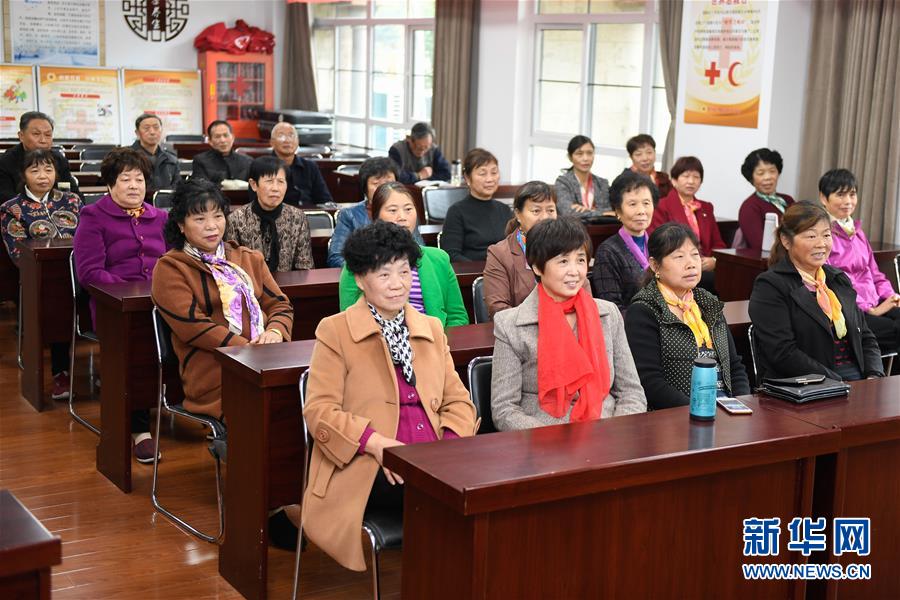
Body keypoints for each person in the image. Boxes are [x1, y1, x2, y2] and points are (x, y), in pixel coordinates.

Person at [301, 221, 477, 571]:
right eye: (384, 274)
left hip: (435, 459)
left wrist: (447, 447)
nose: (398, 283)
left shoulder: (430, 328)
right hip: (369, 462)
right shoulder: (335, 331)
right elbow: (319, 411)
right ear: (360, 279)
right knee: (442, 497)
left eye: (404, 271)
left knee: (489, 489)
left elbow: (458, 401)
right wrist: (379, 445)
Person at [152, 178, 294, 421]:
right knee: (270, 414)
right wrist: (246, 349)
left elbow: (280, 304)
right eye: (200, 219)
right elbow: (193, 327)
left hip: (267, 356)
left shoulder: (248, 257)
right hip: (215, 368)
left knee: (308, 397)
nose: (211, 226)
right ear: (181, 225)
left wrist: (275, 332)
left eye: (217, 216)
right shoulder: (170, 268)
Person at [490, 217, 646, 431]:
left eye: (580, 260)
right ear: (537, 267)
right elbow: (504, 409)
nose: (575, 271)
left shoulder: (608, 314)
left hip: (607, 431)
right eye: (563, 261)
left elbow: (631, 392)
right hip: (545, 436)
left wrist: (614, 432)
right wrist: (550, 439)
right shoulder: (509, 325)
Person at [73, 147, 168, 462]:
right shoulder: (93, 216)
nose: (134, 186)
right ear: (110, 183)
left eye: (139, 179)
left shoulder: (161, 217)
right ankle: (140, 429)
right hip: (115, 307)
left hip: (162, 301)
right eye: (126, 179)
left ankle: (199, 405)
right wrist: (132, 293)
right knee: (138, 345)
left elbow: (176, 261)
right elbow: (89, 273)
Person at [749, 202, 884, 381]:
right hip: (810, 384)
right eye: (811, 236)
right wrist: (838, 383)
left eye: (826, 235)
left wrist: (874, 375)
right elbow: (783, 353)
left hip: (856, 379)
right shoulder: (770, 286)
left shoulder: (837, 279)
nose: (821, 244)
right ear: (786, 240)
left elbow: (865, 336)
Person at [624, 223, 750, 410]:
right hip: (678, 415)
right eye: (679, 257)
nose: (691, 263)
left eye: (694, 254)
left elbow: (734, 366)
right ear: (655, 265)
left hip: (726, 408)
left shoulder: (709, 303)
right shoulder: (644, 310)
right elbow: (650, 382)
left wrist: (741, 405)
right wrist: (701, 410)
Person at [1, 149, 83, 400]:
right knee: (56, 300)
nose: (42, 176)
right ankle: (60, 371)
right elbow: (18, 253)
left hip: (78, 272)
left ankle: (111, 369)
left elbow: (87, 239)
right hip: (40, 278)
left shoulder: (72, 201)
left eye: (48, 169)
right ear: (23, 174)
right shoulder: (12, 208)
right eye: (34, 170)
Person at [340, 182, 467, 328]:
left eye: (408, 209)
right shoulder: (360, 260)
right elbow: (350, 318)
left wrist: (440, 339)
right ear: (376, 216)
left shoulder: (439, 258)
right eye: (393, 210)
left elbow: (457, 316)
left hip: (435, 337)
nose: (402, 217)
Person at [819, 169, 900, 358]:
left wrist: (891, 296)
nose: (848, 201)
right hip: (850, 310)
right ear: (823, 198)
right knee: (895, 331)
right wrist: (870, 310)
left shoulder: (858, 232)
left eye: (852, 194)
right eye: (840, 195)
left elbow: (875, 274)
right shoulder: (823, 234)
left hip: (876, 303)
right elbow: (832, 285)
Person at [483, 181, 566, 318]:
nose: (545, 217)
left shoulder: (569, 247)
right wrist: (544, 321)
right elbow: (498, 309)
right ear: (518, 214)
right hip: (522, 328)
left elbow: (584, 297)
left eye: (550, 210)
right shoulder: (500, 253)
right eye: (536, 211)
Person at [224, 156, 314, 272]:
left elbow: (305, 267)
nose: (275, 188)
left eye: (281, 182)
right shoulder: (235, 219)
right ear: (254, 184)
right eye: (269, 181)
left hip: (289, 283)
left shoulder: (298, 217)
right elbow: (232, 268)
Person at [327, 157, 422, 267]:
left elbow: (420, 251)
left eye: (389, 182)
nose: (384, 188)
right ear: (365, 188)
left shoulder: (407, 214)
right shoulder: (349, 215)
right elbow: (336, 258)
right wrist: (372, 269)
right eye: (376, 183)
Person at [649, 156, 725, 290]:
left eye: (696, 177)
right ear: (674, 180)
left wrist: (714, 260)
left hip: (704, 268)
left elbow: (718, 243)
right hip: (677, 267)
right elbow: (659, 244)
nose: (691, 181)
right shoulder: (662, 206)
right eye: (686, 176)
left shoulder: (706, 207)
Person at [592, 170, 658, 312]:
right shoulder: (607, 252)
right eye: (632, 204)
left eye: (646, 203)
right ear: (618, 211)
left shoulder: (659, 245)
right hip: (631, 323)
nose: (641, 211)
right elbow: (612, 309)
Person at [441, 148, 511, 262]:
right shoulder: (457, 212)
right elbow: (451, 255)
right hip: (472, 271)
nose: (490, 179)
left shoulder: (505, 210)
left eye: (494, 172)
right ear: (467, 178)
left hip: (504, 270)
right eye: (482, 174)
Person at [0, 111, 79, 202]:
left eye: (48, 135)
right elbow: (5, 199)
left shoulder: (59, 160)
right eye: (36, 134)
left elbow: (74, 194)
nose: (43, 140)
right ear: (21, 136)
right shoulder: (5, 162)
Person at [737, 148, 795, 250]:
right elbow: (759, 245)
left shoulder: (788, 200)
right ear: (751, 178)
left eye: (772, 171)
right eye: (761, 173)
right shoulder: (749, 207)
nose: (767, 177)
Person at [269, 122, 333, 207]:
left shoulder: (310, 166)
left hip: (310, 213)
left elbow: (325, 200)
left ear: (298, 141)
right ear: (272, 142)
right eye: (281, 136)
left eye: (291, 135)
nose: (287, 140)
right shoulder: (263, 167)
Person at [554, 135, 612, 219]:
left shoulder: (602, 183)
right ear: (570, 157)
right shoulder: (563, 182)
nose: (585, 158)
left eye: (589, 153)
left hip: (600, 227)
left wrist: (587, 211)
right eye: (579, 154)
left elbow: (610, 211)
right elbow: (567, 212)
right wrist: (595, 212)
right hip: (572, 227)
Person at [191, 120, 253, 185]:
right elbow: (200, 187)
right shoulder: (201, 161)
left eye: (226, 135)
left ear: (233, 137)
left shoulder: (247, 161)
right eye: (217, 136)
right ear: (210, 141)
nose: (222, 140)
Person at [131, 113, 180, 193]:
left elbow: (177, 186)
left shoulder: (171, 159)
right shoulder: (128, 157)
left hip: (167, 200)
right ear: (137, 133)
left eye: (156, 127)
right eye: (146, 128)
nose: (152, 132)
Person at [622, 134, 671, 198]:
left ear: (655, 153)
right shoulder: (623, 180)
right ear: (631, 157)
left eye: (649, 152)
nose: (645, 158)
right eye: (638, 154)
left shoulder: (664, 179)